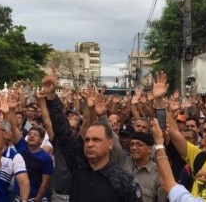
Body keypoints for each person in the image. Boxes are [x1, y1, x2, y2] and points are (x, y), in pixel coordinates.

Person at [41, 67, 142, 202]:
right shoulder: (78, 166)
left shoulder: (123, 181)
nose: (89, 144)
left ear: (110, 144)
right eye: (87, 140)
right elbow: (62, 131)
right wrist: (52, 97)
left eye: (96, 140)